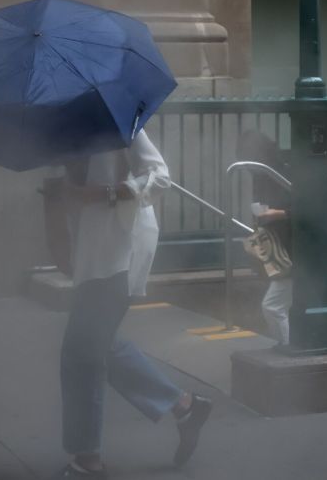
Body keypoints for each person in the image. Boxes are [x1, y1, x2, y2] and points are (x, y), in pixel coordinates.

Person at [52, 130, 213, 479]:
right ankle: (184, 406)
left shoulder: (119, 124)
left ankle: (88, 459)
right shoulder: (64, 134)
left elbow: (160, 177)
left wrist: (102, 193)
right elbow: (74, 204)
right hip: (94, 253)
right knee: (97, 346)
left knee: (81, 354)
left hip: (123, 249)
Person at [237, 130, 293, 347]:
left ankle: (287, 347)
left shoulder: (279, 173)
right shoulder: (263, 176)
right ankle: (286, 345)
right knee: (280, 303)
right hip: (284, 247)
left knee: (273, 305)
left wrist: (277, 213)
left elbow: (307, 208)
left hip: (294, 250)